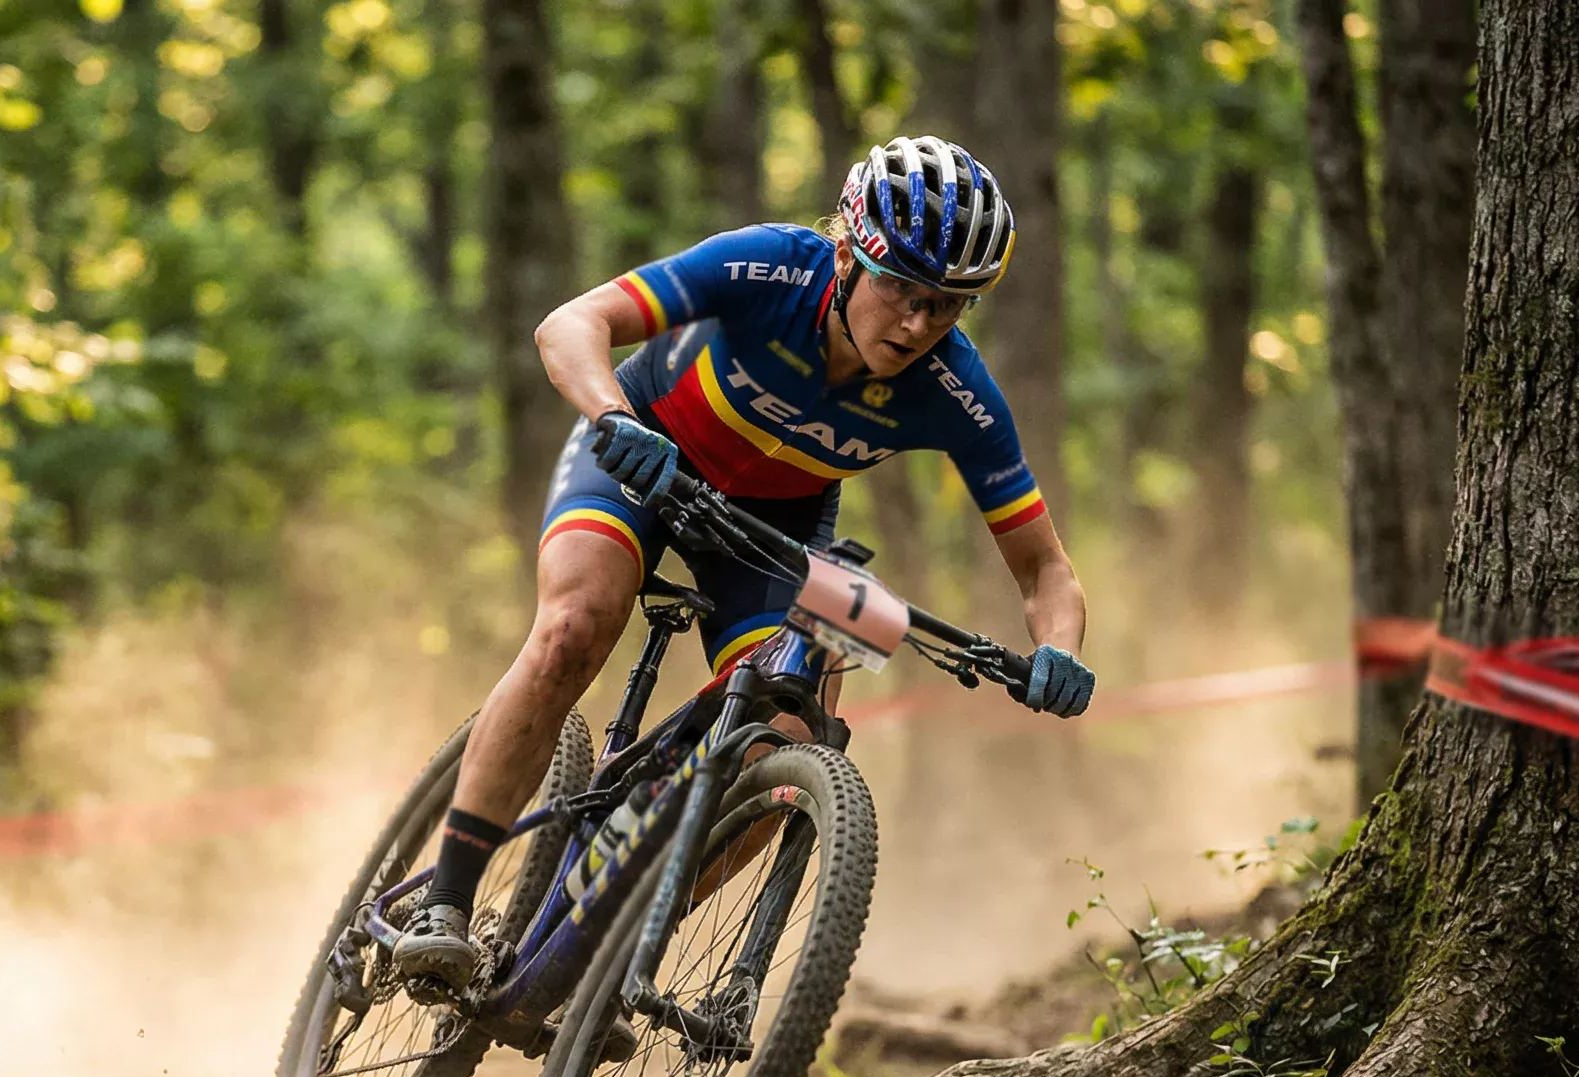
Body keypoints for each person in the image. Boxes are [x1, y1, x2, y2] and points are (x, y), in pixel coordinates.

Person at [395, 134, 1095, 989]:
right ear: (848, 251)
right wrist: (615, 419)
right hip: (640, 459)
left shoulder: (955, 389)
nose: (919, 324)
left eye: (948, 306)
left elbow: (1043, 569)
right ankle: (447, 904)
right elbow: (571, 324)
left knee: (800, 731)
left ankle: (606, 964)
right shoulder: (768, 267)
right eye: (903, 290)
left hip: (771, 529)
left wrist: (1059, 650)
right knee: (577, 625)